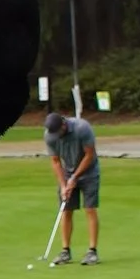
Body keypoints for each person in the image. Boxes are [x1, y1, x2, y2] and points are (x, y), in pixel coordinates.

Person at [44, 105, 101, 263]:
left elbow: (90, 155)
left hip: (89, 171)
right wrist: (63, 185)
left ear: (63, 124)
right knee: (66, 210)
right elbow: (55, 161)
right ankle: (65, 251)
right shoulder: (50, 136)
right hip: (67, 172)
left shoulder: (82, 128)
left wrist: (75, 177)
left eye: (58, 132)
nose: (56, 136)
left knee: (90, 209)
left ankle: (92, 251)